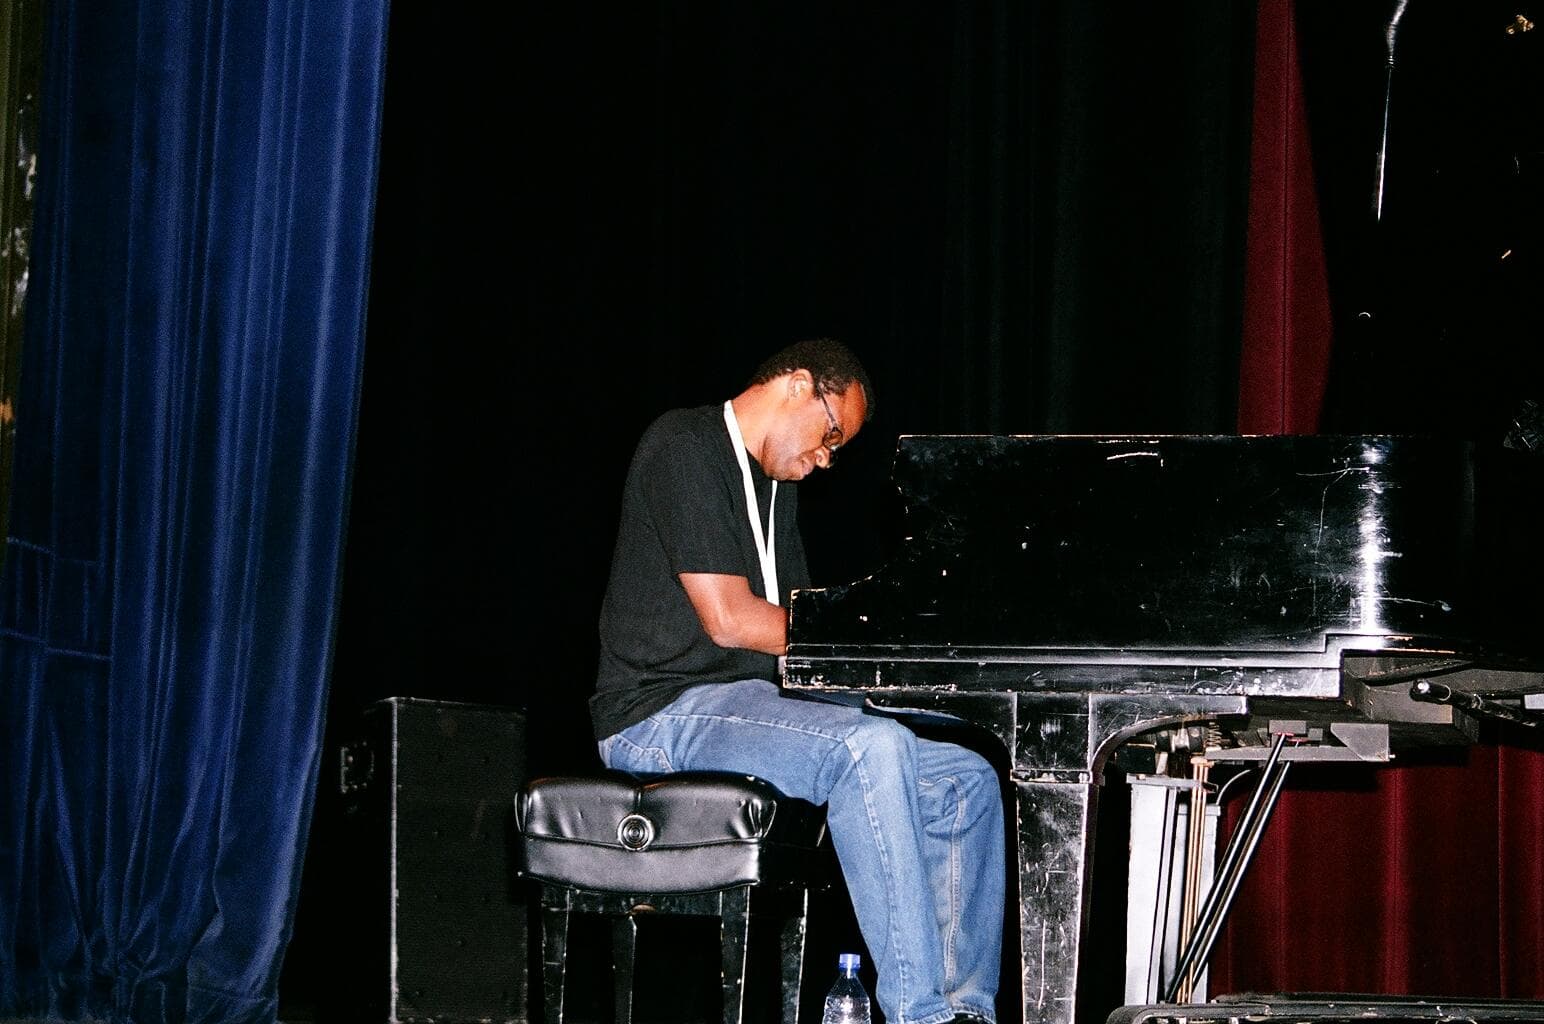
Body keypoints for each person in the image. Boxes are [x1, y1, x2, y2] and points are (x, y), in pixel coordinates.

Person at [590, 337, 1004, 1024]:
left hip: (746, 705)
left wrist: (894, 683)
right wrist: (865, 652)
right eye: (831, 435)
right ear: (797, 385)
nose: (827, 458)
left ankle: (967, 1012)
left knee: (966, 780)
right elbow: (731, 621)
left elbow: (799, 644)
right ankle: (919, 1015)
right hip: (657, 713)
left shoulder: (775, 488)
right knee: (868, 749)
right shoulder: (683, 446)